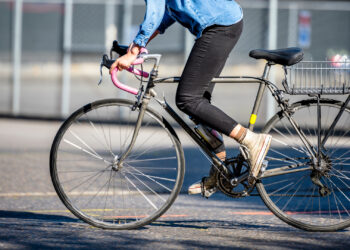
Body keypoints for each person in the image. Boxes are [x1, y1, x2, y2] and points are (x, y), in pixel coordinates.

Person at [110, 0, 272, 197]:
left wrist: (135, 50)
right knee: (198, 106)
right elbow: (164, 17)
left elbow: (155, 10)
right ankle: (221, 170)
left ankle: (252, 140)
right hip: (221, 25)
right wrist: (133, 48)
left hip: (220, 26)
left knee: (188, 99)